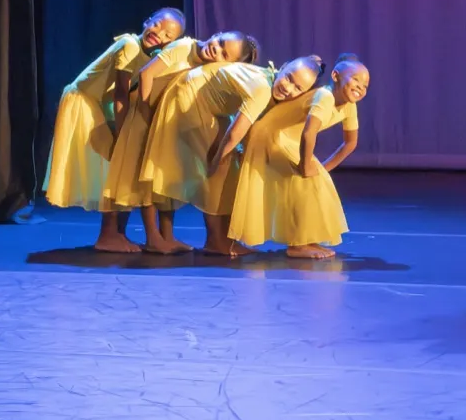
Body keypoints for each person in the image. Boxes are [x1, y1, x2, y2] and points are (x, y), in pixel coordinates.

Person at [139, 55, 322, 256]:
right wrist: (217, 161)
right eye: (288, 78)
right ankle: (216, 241)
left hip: (205, 102)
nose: (288, 88)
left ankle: (225, 239)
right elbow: (235, 133)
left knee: (227, 166)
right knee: (219, 171)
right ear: (283, 66)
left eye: (298, 88)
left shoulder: (268, 80)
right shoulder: (262, 88)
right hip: (190, 97)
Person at [100, 31, 259, 254]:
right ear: (217, 34)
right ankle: (153, 237)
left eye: (224, 54)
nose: (216, 49)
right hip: (145, 118)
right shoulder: (184, 46)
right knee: (146, 180)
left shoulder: (206, 66)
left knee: (165, 179)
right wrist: (145, 113)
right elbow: (147, 74)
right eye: (220, 42)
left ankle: (167, 236)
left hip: (162, 122)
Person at [43, 7, 185, 253]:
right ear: (147, 21)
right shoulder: (129, 45)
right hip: (84, 101)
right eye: (157, 25)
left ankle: (116, 234)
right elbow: (120, 93)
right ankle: (108, 235)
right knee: (115, 167)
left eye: (167, 35)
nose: (159, 34)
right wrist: (122, 134)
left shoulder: (151, 59)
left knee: (120, 170)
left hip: (99, 104)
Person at [228, 53, 369, 258]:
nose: (360, 87)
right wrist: (305, 165)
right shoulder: (325, 97)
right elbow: (309, 133)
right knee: (301, 184)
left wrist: (323, 169)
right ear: (336, 76)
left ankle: (308, 240)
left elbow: (350, 143)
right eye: (356, 80)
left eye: (365, 85)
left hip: (288, 138)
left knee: (318, 182)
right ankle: (297, 245)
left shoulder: (349, 106)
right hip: (269, 134)